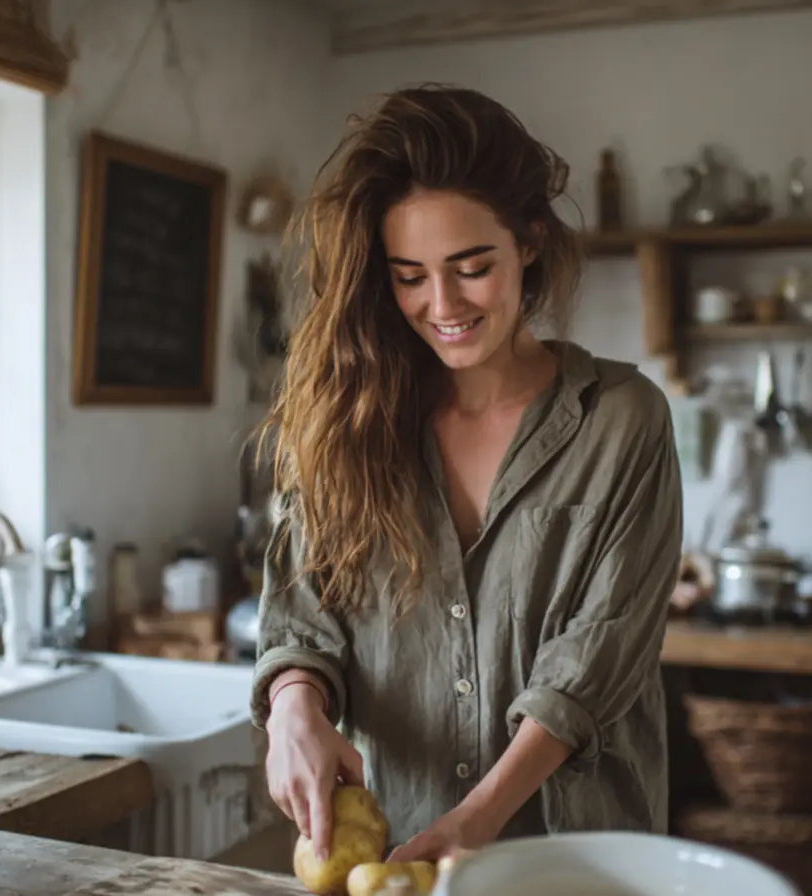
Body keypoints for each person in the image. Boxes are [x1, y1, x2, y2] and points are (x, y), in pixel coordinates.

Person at [250, 84, 683, 864]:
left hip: (577, 862)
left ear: (529, 242)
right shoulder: (349, 425)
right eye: (409, 275)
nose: (441, 303)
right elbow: (301, 620)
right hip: (394, 848)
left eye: (471, 266)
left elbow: (592, 665)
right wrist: (292, 710)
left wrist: (472, 825)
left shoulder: (623, 419)